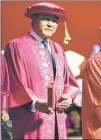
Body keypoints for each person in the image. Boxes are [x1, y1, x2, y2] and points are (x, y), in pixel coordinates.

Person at [4, 2, 79, 139]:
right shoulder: (17, 46)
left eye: (55, 21)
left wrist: (68, 96)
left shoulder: (58, 49)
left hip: (58, 120)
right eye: (46, 19)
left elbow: (69, 81)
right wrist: (35, 103)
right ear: (33, 19)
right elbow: (14, 83)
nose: (51, 24)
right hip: (30, 119)